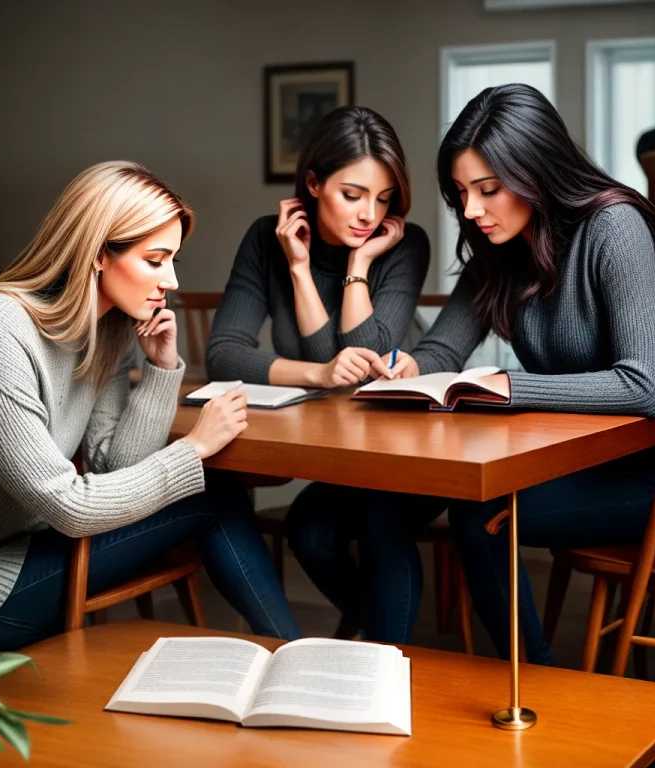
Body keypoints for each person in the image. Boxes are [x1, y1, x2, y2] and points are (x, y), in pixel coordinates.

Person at [0, 161, 300, 652]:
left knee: (213, 492)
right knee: (213, 496)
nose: (171, 280)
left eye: (172, 260)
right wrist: (194, 448)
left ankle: (298, 663)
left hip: (21, 549)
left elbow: (116, 467)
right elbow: (72, 507)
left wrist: (160, 370)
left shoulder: (107, 328)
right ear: (96, 254)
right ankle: (302, 661)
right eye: (155, 260)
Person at [376, 83, 655, 664]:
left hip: (647, 477)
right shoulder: (500, 245)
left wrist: (508, 387)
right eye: (461, 192)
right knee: (428, 501)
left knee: (479, 510)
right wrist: (410, 368)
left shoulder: (614, 226)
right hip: (570, 457)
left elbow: (642, 385)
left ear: (537, 169)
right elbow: (442, 351)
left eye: (488, 190)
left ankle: (536, 681)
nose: (471, 210)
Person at [207, 106, 438, 644]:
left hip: (407, 444)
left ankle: (381, 659)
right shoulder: (268, 238)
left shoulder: (404, 243)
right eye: (352, 195)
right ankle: (373, 652)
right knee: (309, 535)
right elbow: (224, 353)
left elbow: (362, 360)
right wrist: (298, 269)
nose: (369, 214)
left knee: (372, 527)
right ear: (312, 183)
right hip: (339, 444)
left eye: (382, 199)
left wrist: (359, 265)